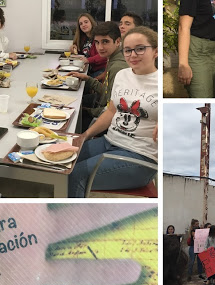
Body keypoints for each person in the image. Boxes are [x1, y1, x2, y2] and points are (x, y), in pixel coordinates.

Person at [68, 27, 158, 198]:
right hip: (109, 142)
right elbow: (111, 111)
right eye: (127, 50)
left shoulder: (160, 83)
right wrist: (84, 136)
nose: (132, 55)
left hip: (140, 156)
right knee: (63, 162)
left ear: (155, 51)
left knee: (76, 175)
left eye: (140, 48)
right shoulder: (123, 75)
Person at [69, 21, 128, 130]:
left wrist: (87, 110)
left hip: (107, 120)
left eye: (105, 42)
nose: (100, 47)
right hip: (101, 105)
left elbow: (111, 109)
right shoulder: (113, 58)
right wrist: (87, 79)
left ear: (117, 41)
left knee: (72, 114)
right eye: (97, 42)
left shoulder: (117, 67)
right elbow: (107, 92)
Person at [70, 13, 107, 77]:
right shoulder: (82, 38)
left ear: (91, 22)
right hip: (86, 69)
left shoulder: (99, 36)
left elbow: (104, 56)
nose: (83, 25)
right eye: (81, 24)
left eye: (86, 22)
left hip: (99, 71)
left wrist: (88, 60)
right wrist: (74, 48)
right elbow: (82, 54)